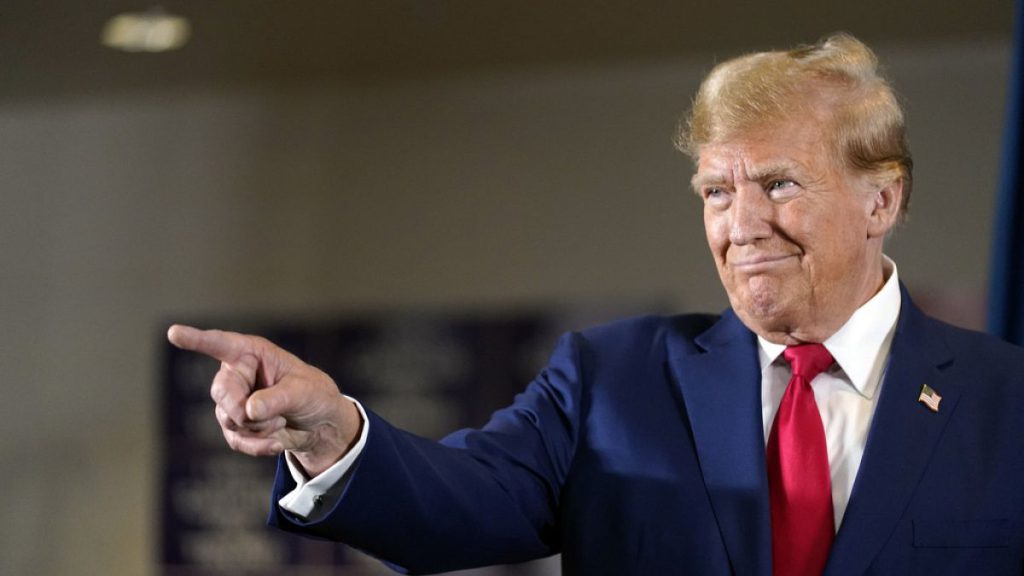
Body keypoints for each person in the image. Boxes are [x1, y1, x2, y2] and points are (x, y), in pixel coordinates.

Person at [168, 33, 1024, 575]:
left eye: (778, 184)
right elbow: (458, 504)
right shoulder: (610, 380)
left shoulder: (1007, 402)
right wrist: (331, 435)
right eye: (716, 192)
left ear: (882, 200)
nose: (743, 224)